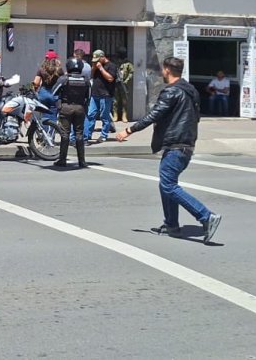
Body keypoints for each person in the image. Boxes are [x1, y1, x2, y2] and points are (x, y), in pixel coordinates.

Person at [118, 57, 222, 243]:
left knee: (168, 185)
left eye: (163, 70)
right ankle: (172, 224)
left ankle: (206, 216)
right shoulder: (190, 90)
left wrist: (128, 130)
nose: (162, 73)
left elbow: (154, 115)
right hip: (185, 143)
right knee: (166, 184)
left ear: (167, 70)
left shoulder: (172, 91)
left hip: (177, 144)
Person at [53, 58, 90, 168]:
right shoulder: (86, 80)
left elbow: (54, 93)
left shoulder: (64, 79)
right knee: (79, 134)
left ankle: (62, 160)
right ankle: (82, 161)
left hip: (66, 107)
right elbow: (88, 96)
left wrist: (59, 105)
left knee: (65, 134)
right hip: (80, 108)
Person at [84, 49, 117, 143]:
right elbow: (90, 76)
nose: (96, 62)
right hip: (95, 94)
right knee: (91, 114)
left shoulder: (111, 66)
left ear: (103, 57)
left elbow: (110, 78)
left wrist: (101, 69)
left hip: (106, 95)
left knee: (104, 116)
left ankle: (103, 135)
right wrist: (94, 68)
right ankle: (87, 134)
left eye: (98, 60)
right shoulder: (96, 66)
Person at [115, 56, 134, 122]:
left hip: (124, 85)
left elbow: (131, 73)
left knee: (124, 101)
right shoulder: (116, 63)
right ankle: (115, 115)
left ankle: (124, 115)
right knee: (115, 100)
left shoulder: (128, 64)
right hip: (116, 84)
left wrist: (126, 80)